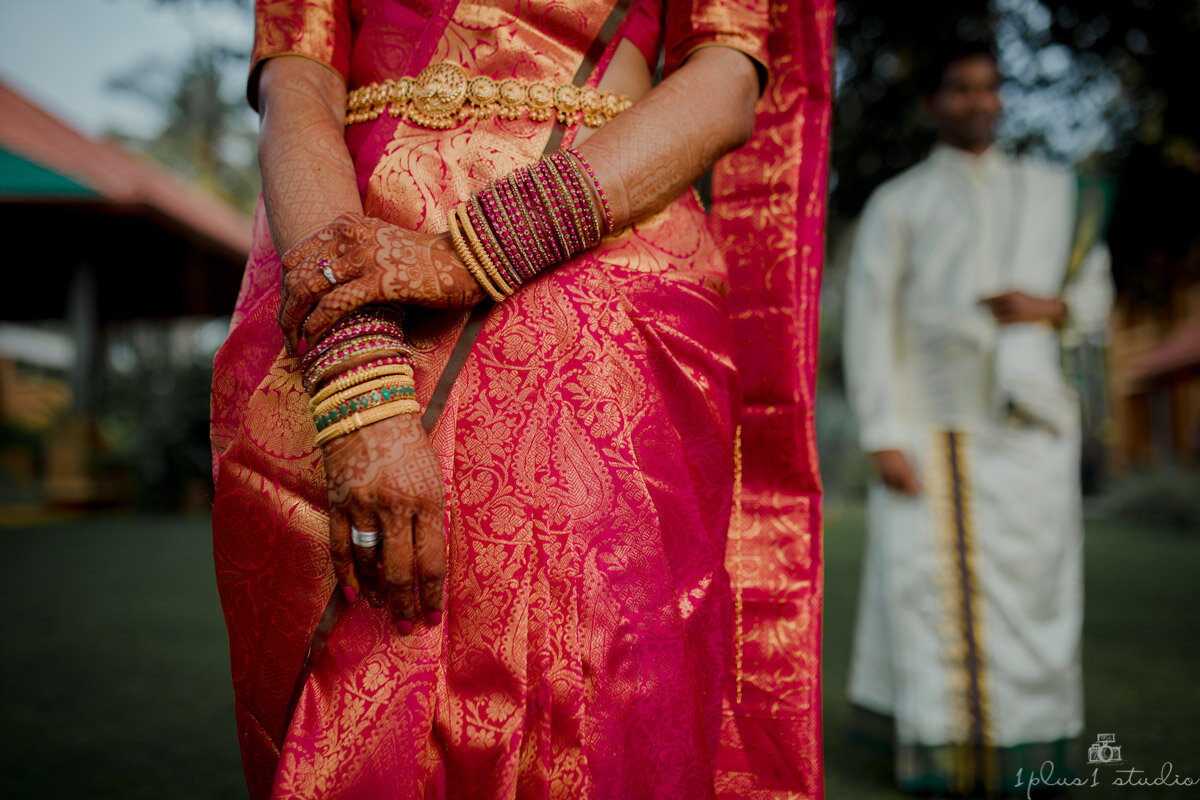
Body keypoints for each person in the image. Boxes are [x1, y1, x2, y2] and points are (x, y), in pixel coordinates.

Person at [210, 1, 831, 798]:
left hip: (608, 273)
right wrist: (353, 364)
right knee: (359, 678)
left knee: (595, 695)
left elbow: (726, 77)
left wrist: (472, 255)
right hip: (347, 247)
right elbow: (298, 79)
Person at [843, 41, 1114, 797]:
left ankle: (1031, 752)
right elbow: (870, 324)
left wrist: (1048, 306)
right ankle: (946, 754)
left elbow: (1096, 298)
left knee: (1038, 595)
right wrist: (881, 434)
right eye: (960, 89)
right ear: (935, 103)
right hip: (932, 431)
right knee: (928, 596)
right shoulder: (900, 202)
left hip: (1033, 429)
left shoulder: (1053, 193)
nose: (978, 102)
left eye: (989, 88)